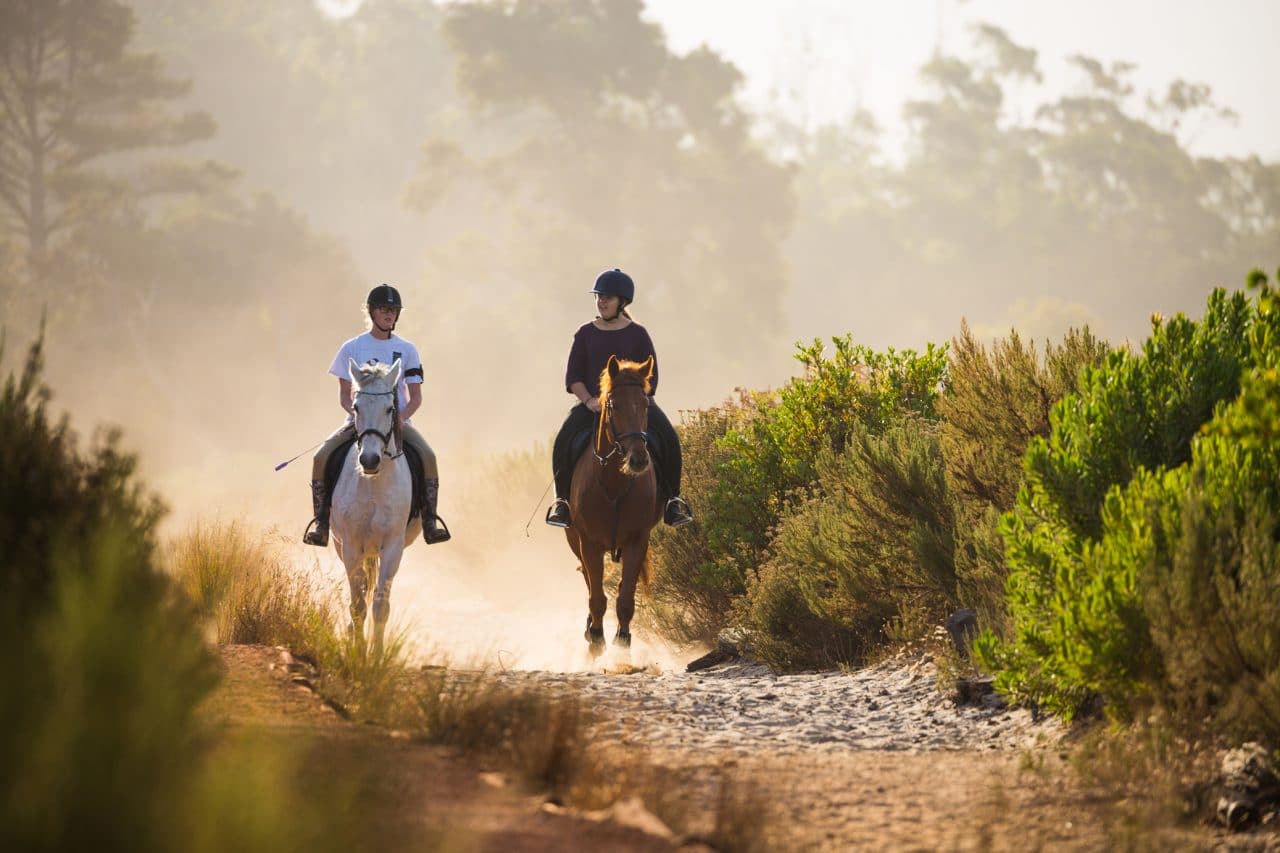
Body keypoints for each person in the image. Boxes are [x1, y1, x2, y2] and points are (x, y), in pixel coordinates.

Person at [302, 284, 451, 546]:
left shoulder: (407, 350)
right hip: (359, 424)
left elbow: (415, 397)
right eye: (384, 309)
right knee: (320, 457)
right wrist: (362, 419)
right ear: (371, 311)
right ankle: (321, 523)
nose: (389, 314)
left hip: (398, 424)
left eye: (393, 310)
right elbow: (344, 396)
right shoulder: (352, 347)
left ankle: (429, 520)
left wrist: (397, 421)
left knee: (429, 457)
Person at [545, 268, 694, 529]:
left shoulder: (638, 334)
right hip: (593, 406)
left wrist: (634, 402)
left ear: (622, 302)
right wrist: (590, 401)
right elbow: (573, 377)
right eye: (599, 296)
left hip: (634, 407)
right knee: (563, 440)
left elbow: (652, 375)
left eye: (608, 297)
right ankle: (563, 502)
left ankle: (673, 500)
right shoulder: (585, 334)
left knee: (669, 438)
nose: (602, 301)